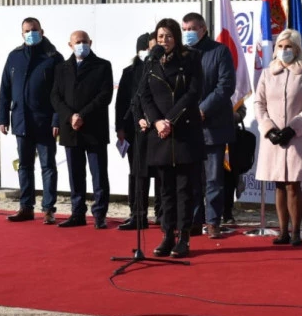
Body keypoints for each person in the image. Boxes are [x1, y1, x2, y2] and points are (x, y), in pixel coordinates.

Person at [139, 18, 204, 258]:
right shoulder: (151, 61)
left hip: (184, 131)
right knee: (165, 190)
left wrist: (170, 120)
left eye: (168, 36)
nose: (164, 40)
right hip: (160, 134)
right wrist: (157, 121)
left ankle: (183, 237)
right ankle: (167, 235)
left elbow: (193, 93)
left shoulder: (191, 59)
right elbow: (144, 95)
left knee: (184, 189)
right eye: (160, 36)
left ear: (176, 37)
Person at [254, 29, 302, 246]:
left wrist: (294, 128)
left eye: (288, 46)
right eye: (281, 46)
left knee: (294, 184)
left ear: (297, 49)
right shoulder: (267, 74)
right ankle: (282, 232)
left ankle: (296, 232)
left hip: (296, 138)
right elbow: (259, 103)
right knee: (279, 185)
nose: (284, 50)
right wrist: (269, 129)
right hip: (273, 139)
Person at [0, 17, 63, 224]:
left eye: (34, 30)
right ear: (22, 34)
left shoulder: (53, 57)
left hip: (45, 122)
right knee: (25, 166)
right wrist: (2, 118)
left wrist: (56, 120)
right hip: (21, 120)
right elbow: (5, 89)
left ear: (42, 32)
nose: (31, 33)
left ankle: (48, 209)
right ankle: (26, 207)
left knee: (48, 166)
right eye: (27, 31)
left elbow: (60, 92)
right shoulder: (14, 56)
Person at [50, 30, 114, 228]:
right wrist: (70, 116)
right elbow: (55, 96)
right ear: (70, 45)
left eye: (84, 41)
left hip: (94, 129)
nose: (81, 45)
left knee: (98, 174)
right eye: (77, 42)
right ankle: (77, 213)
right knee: (75, 174)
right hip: (70, 129)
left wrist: (82, 115)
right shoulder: (61, 68)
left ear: (90, 42)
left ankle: (99, 214)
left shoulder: (103, 65)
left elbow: (105, 96)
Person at [181, 12, 236, 239]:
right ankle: (195, 221)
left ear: (203, 29)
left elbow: (226, 85)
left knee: (213, 178)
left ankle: (213, 222)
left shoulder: (219, 51)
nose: (188, 33)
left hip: (213, 125)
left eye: (192, 29)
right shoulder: (182, 54)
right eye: (184, 30)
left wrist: (203, 109)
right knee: (192, 178)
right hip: (187, 126)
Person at [114, 32, 162, 230]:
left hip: (159, 128)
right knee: (137, 173)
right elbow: (122, 102)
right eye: (150, 47)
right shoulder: (130, 72)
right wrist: (120, 127)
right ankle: (137, 214)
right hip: (136, 130)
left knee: (161, 173)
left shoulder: (162, 69)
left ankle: (162, 214)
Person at [222, 104, 247, 225]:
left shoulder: (235, 94)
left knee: (230, 178)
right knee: (210, 178)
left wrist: (233, 115)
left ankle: (227, 212)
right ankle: (209, 215)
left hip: (232, 137)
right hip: (210, 135)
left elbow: (242, 111)